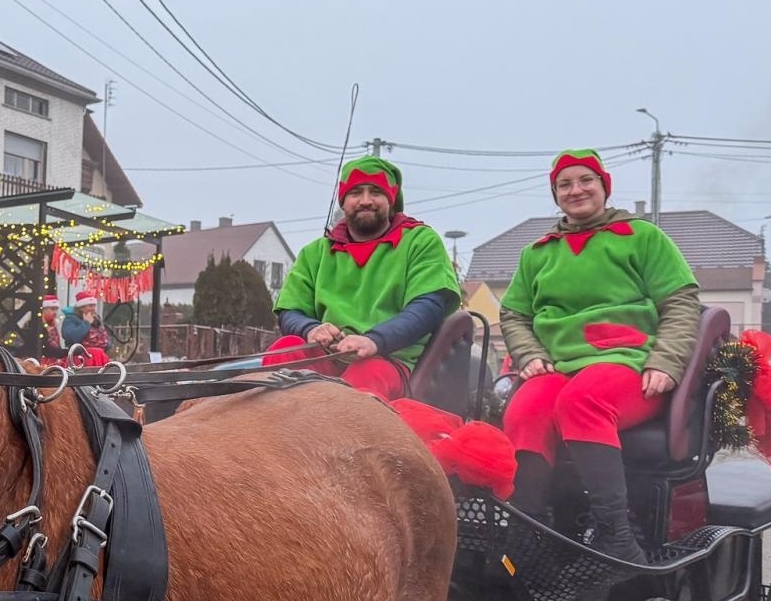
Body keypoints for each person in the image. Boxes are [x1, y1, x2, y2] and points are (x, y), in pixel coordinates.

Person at [499, 150, 701, 561]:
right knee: (525, 410)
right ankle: (529, 535)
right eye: (564, 184)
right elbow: (514, 313)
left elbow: (681, 302)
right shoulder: (537, 253)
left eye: (585, 180)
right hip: (559, 366)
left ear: (604, 186)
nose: (576, 190)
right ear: (555, 194)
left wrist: (666, 360)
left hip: (627, 363)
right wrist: (528, 352)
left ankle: (616, 537)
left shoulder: (642, 236)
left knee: (582, 400)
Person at [272, 156, 460, 400]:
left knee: (359, 386)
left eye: (376, 192)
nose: (365, 201)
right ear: (344, 200)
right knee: (283, 352)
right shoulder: (315, 253)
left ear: (391, 199)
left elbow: (428, 307)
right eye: (356, 193)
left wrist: (374, 341)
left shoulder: (420, 242)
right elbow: (290, 311)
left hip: (388, 359)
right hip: (325, 356)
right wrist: (310, 329)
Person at [61, 295, 111, 363]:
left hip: (100, 357)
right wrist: (86, 323)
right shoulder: (71, 319)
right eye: (90, 306)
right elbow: (71, 337)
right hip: (81, 358)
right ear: (81, 307)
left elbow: (106, 339)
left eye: (94, 306)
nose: (93, 308)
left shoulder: (96, 320)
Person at [38, 293, 68, 362]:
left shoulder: (53, 325)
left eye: (56, 309)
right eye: (52, 309)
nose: (55, 312)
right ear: (44, 309)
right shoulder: (39, 326)